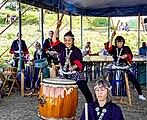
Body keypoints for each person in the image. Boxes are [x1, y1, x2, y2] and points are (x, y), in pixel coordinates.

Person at [50, 12, 93, 103]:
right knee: (60, 93)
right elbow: (54, 39)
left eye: (69, 40)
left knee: (85, 89)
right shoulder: (61, 47)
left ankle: (91, 105)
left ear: (73, 41)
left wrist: (73, 66)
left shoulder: (77, 50)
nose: (67, 42)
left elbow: (79, 62)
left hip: (74, 74)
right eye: (65, 40)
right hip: (63, 74)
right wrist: (57, 27)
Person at [105, 31, 146, 100]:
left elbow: (130, 55)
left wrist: (126, 55)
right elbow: (109, 47)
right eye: (118, 42)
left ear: (123, 42)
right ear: (116, 43)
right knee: (106, 74)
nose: (119, 44)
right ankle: (109, 87)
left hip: (124, 67)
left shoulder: (126, 48)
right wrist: (112, 37)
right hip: (115, 67)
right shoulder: (114, 48)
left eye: (121, 42)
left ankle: (140, 94)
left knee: (134, 80)